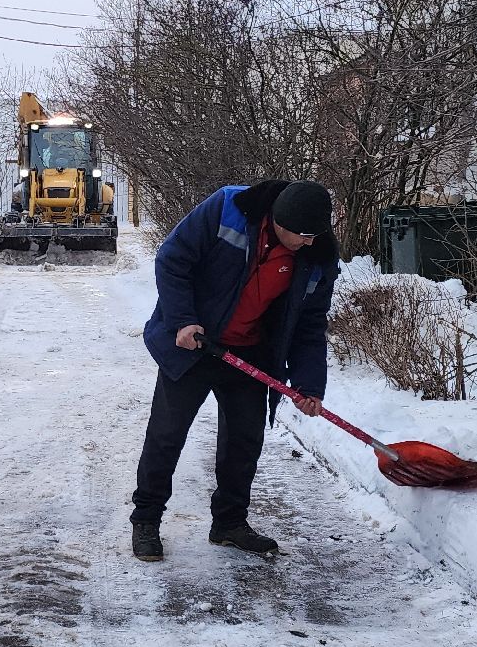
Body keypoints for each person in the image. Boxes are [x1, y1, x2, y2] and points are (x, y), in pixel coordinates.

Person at [130, 179, 339, 562]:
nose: (310, 242)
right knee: (166, 435)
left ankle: (229, 523)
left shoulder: (318, 256)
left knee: (244, 441)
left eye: (316, 234)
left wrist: (310, 384)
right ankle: (146, 520)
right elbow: (173, 259)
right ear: (279, 220)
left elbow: (310, 325)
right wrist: (183, 321)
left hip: (249, 354)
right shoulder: (227, 207)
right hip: (194, 345)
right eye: (303, 234)